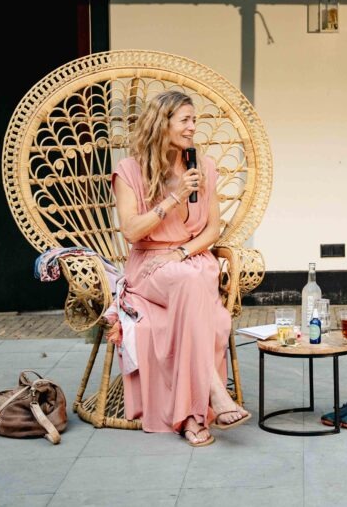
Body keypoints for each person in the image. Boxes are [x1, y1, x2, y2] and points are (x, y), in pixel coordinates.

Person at [111, 89, 250, 447]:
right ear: (162, 123)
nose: (192, 127)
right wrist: (175, 197)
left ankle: (191, 414)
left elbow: (212, 230)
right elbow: (131, 231)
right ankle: (210, 397)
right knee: (193, 290)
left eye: (194, 120)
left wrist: (184, 252)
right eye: (185, 120)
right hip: (150, 263)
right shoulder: (130, 171)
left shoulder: (203, 167)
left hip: (192, 259)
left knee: (212, 314)